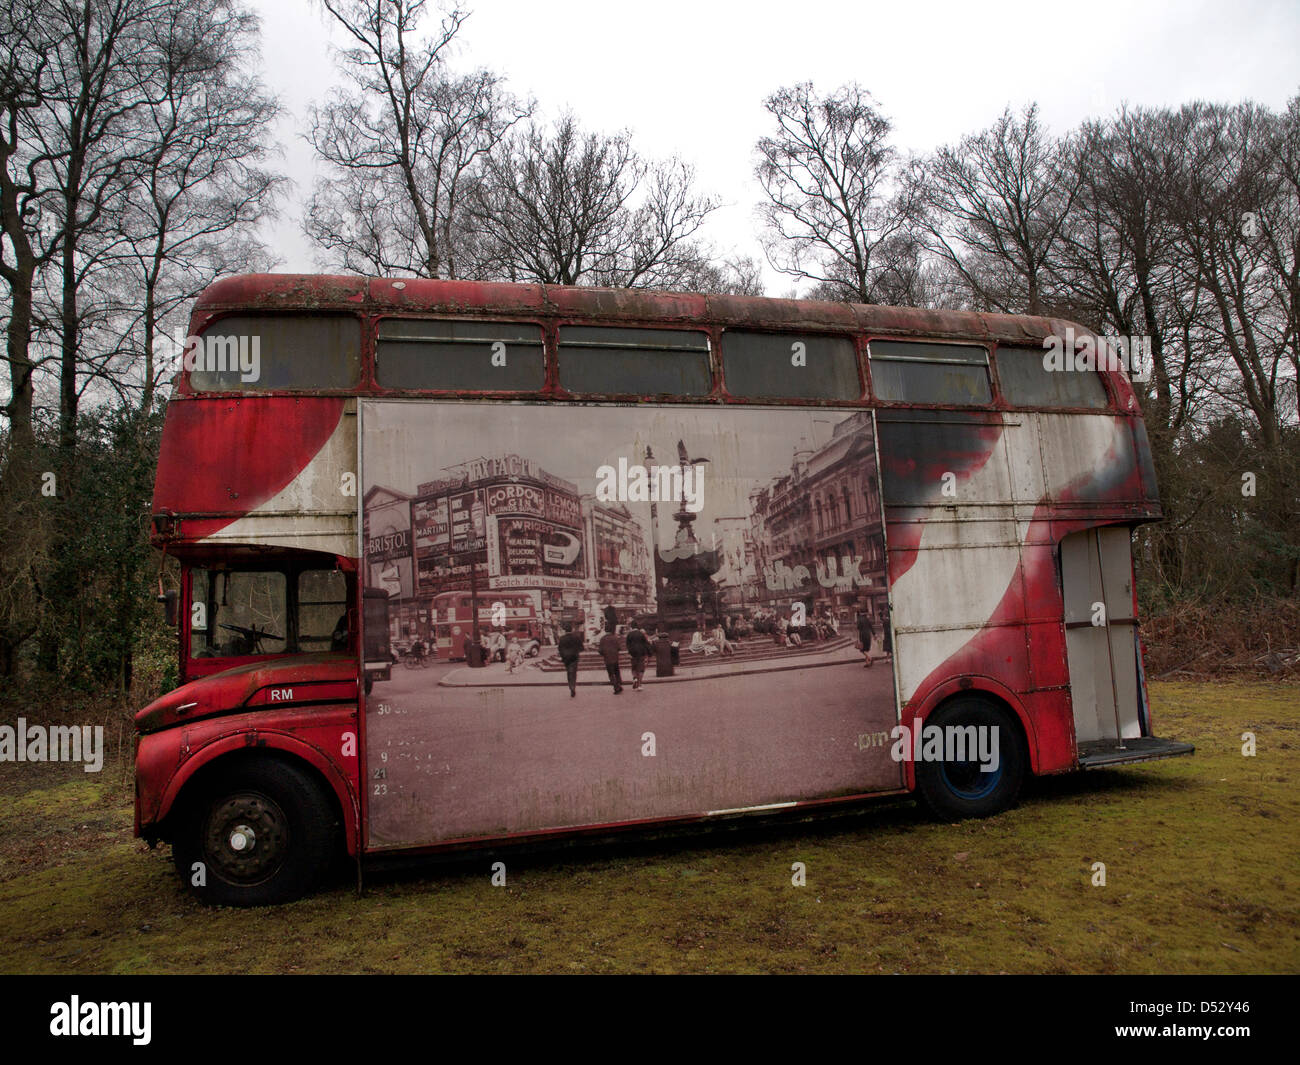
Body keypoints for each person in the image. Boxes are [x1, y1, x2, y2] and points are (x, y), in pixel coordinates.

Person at [557, 623, 584, 697]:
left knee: (569, 672)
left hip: (566, 658)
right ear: (571, 629)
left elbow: (559, 649)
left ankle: (571, 686)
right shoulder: (576, 637)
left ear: (565, 630)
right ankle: (573, 687)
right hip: (574, 658)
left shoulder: (562, 638)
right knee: (573, 673)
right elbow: (582, 648)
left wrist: (563, 655)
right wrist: (576, 651)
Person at [598, 623, 624, 694]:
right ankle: (619, 684)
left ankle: (616, 687)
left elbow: (600, 650)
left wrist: (604, 654)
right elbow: (619, 648)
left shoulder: (602, 639)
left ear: (605, 630)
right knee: (617, 672)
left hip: (607, 659)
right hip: (615, 658)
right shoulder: (615, 638)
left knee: (611, 674)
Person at [625, 624, 652, 690]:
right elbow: (646, 644)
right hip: (641, 653)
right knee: (641, 669)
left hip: (633, 654)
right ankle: (640, 685)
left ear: (631, 627)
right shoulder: (641, 634)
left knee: (634, 668)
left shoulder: (629, 634)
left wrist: (629, 652)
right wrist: (649, 653)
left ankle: (635, 678)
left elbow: (627, 645)